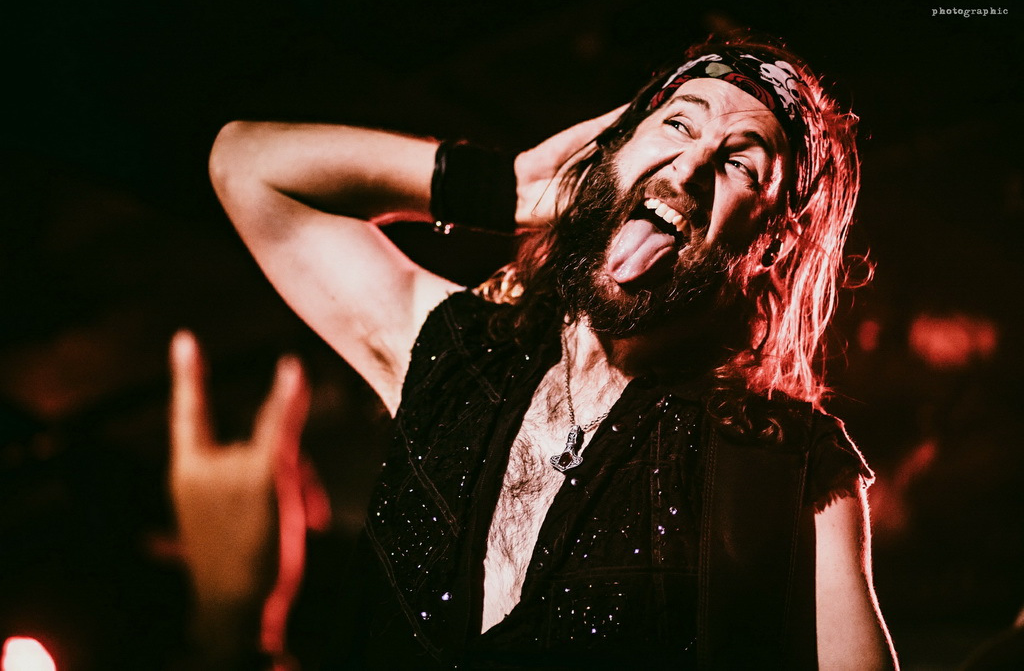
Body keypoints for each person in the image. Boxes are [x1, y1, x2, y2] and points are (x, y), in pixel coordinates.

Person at [209, 33, 898, 669]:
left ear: (770, 243)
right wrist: (501, 187)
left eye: (740, 163)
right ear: (615, 149)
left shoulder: (790, 469)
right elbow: (243, 165)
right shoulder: (454, 351)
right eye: (678, 124)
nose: (690, 166)